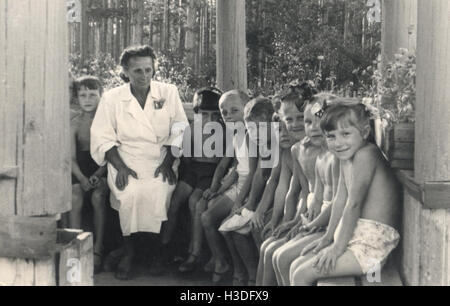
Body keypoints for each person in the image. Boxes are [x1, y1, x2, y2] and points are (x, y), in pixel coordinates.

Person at [90, 45, 189, 280]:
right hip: (125, 158)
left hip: (161, 158)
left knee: (158, 191)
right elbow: (103, 136)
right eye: (137, 71)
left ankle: (156, 252)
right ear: (125, 71)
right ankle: (130, 252)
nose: (144, 76)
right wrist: (121, 166)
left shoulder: (168, 92)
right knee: (131, 193)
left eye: (148, 69)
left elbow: (180, 130)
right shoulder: (112, 98)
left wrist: (168, 162)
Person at [290, 101, 401, 286]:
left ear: (365, 132)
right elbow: (340, 200)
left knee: (302, 275)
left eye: (346, 134)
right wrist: (327, 238)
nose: (338, 143)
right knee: (296, 266)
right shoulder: (346, 158)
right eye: (331, 136)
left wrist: (337, 248)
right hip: (355, 239)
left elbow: (354, 204)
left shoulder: (367, 155)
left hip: (371, 249)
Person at [273, 94, 341, 286]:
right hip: (319, 221)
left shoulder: (337, 158)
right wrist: (301, 220)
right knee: (278, 255)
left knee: (285, 258)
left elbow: (338, 202)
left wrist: (311, 225)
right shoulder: (319, 156)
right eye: (308, 121)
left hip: (332, 226)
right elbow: (315, 197)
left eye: (320, 121)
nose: (313, 127)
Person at [159, 87, 224, 272]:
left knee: (195, 201)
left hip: (210, 173)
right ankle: (165, 247)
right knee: (174, 201)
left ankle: (194, 253)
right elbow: (184, 156)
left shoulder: (225, 130)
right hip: (193, 171)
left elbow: (222, 163)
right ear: (196, 113)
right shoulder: (191, 129)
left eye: (214, 115)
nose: (210, 120)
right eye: (204, 114)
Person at [219, 97, 278, 286]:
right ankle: (252, 274)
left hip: (276, 200)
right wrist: (247, 204)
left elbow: (274, 182)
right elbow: (259, 175)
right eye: (250, 129)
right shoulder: (262, 145)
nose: (255, 134)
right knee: (233, 229)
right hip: (263, 198)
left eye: (259, 127)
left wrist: (257, 208)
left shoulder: (278, 144)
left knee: (255, 229)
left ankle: (268, 279)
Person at [201, 89, 257, 285]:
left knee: (213, 218)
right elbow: (234, 169)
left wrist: (239, 201)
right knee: (207, 212)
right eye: (224, 112)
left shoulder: (252, 135)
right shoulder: (236, 135)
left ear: (247, 109)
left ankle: (238, 269)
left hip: (250, 187)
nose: (229, 116)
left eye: (234, 110)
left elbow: (252, 173)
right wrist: (218, 188)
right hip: (238, 184)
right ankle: (226, 262)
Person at [69, 76, 109, 274]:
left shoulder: (108, 121)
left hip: (100, 167)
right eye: (83, 94)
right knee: (75, 197)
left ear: (101, 96)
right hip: (79, 168)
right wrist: (82, 178)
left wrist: (98, 174)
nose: (87, 99)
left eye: (92, 95)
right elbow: (70, 158)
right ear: (76, 97)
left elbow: (111, 153)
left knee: (98, 196)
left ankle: (98, 250)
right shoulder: (74, 123)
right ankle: (76, 248)